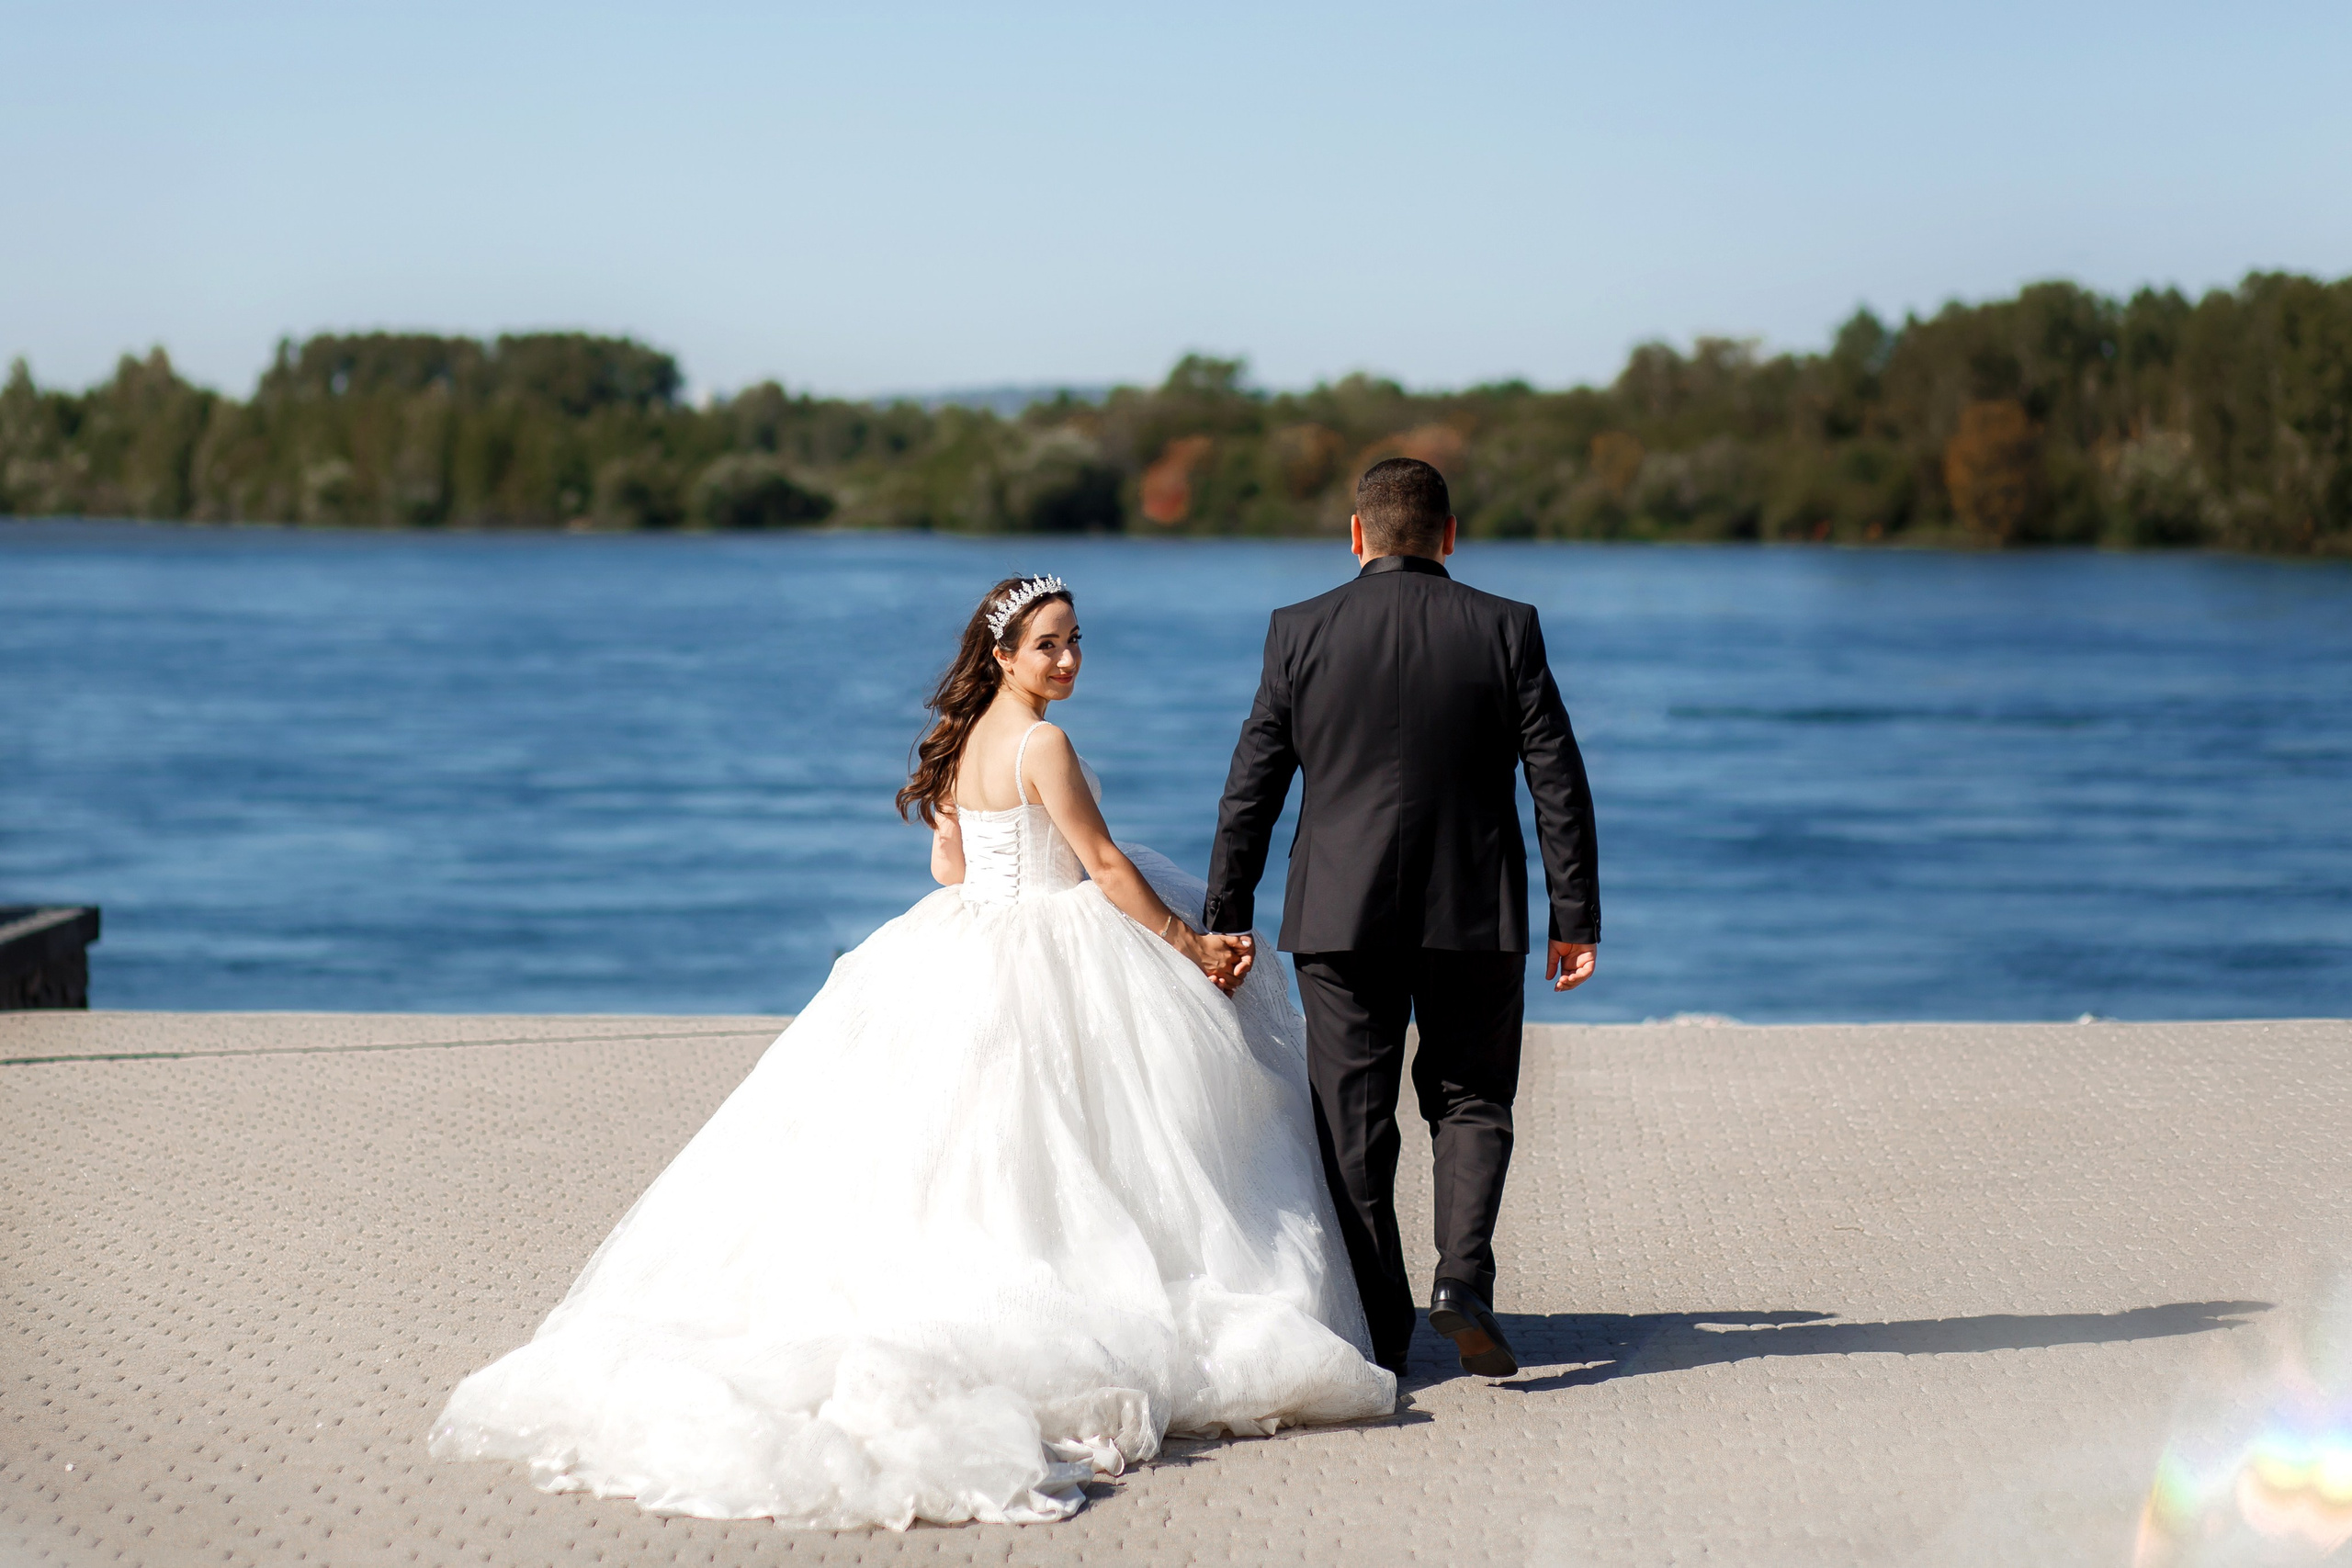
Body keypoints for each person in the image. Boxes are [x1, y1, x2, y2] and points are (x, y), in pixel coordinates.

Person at [429, 574, 1396, 1529]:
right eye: (1048, 644)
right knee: (1090, 1139)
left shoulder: (965, 741)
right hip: (1052, 946)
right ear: (1004, 656)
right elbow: (1101, 867)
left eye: (1074, 640)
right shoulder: (1042, 743)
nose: (1068, 659)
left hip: (966, 939)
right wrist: (1185, 946)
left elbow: (950, 866)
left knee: (980, 1148)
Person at [1205, 458, 1601, 1382]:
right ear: (1448, 535)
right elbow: (1558, 783)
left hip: (1337, 915)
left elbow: (1251, 787)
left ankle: (1380, 1329)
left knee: (1353, 1121)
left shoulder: (1298, 631)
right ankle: (1462, 1281)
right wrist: (1572, 914)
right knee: (1471, 1100)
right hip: (1475, 912)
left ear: (1356, 535)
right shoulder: (1507, 628)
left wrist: (1228, 913)